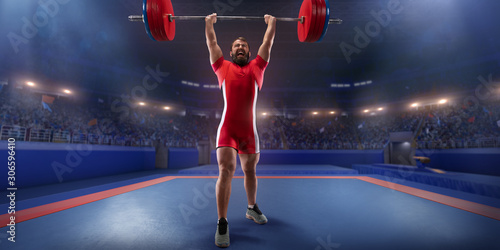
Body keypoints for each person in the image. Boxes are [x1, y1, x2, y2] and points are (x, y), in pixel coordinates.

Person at [205, 13, 276, 248]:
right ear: (231, 51)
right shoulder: (222, 67)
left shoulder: (257, 67)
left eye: (244, 45)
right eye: (236, 46)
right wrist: (208, 24)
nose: (240, 48)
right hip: (227, 129)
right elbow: (212, 43)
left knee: (250, 171)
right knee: (226, 170)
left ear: (249, 50)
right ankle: (222, 222)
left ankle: (251, 208)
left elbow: (267, 43)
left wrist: (272, 24)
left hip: (249, 132)